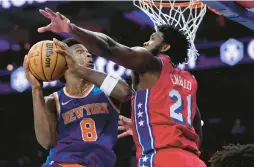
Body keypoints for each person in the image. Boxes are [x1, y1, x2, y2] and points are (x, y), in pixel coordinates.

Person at [38, 8, 205, 167]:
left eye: (153, 38)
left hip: (161, 159)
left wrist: (70, 28)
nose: (146, 41)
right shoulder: (189, 81)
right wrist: (144, 128)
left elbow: (109, 47)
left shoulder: (150, 63)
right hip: (193, 160)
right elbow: (196, 131)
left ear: (165, 47)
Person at [24, 38, 131, 167]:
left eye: (88, 52)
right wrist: (36, 89)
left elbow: (125, 93)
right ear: (64, 58)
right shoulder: (52, 101)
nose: (88, 54)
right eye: (80, 51)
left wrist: (79, 69)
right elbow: (47, 142)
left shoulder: (105, 90)